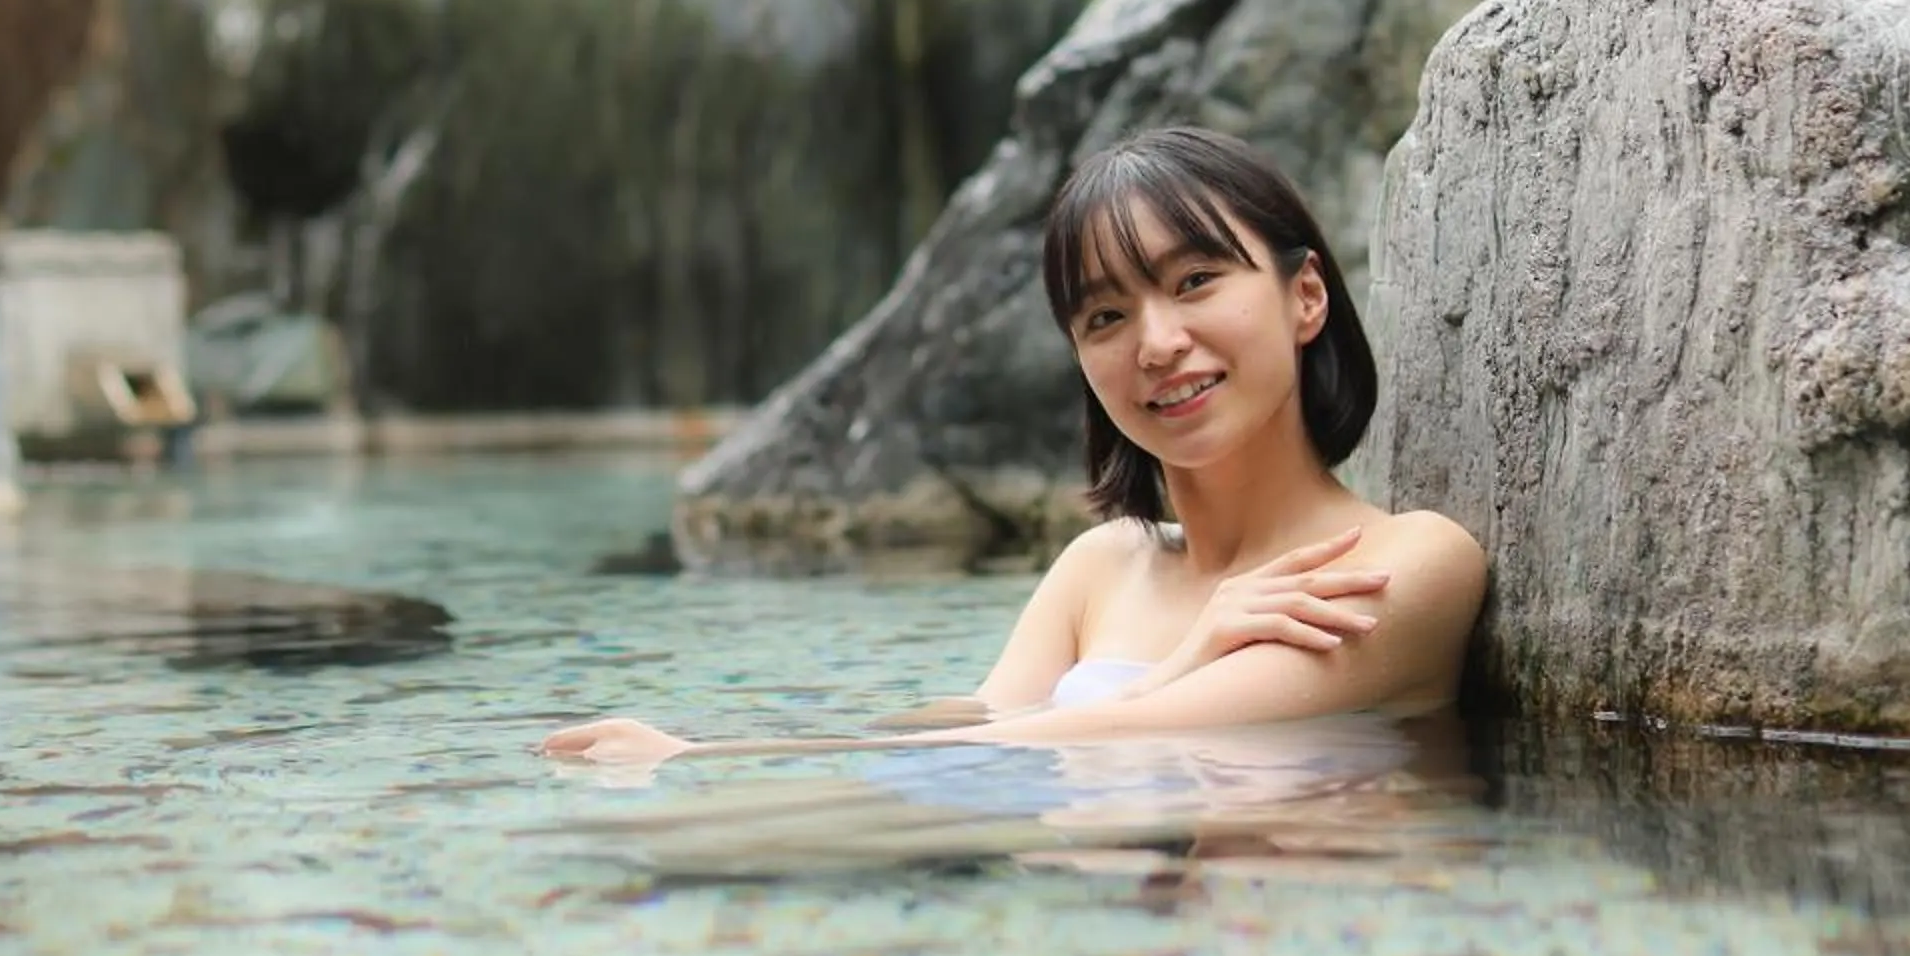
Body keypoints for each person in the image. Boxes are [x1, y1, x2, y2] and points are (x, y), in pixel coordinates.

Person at [539, 126, 1486, 767]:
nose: (1156, 343)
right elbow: (978, 732)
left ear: (1305, 296)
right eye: (1106, 314)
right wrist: (715, 739)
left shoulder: (1408, 563)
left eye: (1196, 280)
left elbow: (1107, 739)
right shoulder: (1103, 566)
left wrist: (705, 767)